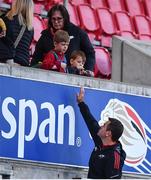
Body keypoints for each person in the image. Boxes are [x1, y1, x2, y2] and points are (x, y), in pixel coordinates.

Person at [31, 4, 95, 75]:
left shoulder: (78, 33)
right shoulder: (45, 36)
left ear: (65, 18)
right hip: (49, 77)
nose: (56, 22)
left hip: (73, 77)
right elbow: (36, 59)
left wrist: (88, 70)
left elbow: (90, 53)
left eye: (59, 19)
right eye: (53, 19)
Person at [76, 87, 126, 179]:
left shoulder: (114, 157)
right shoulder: (101, 141)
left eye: (104, 125)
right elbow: (91, 121)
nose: (101, 125)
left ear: (108, 134)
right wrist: (81, 103)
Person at [0, 0, 34, 66]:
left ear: (17, 4)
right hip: (24, 64)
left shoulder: (7, 20)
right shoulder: (31, 28)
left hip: (9, 61)